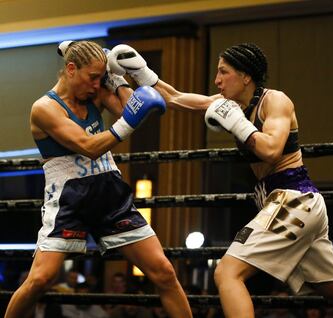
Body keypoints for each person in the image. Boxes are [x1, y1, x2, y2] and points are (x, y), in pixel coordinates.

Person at [107, 42, 333, 317]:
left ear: (245, 76)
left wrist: (238, 122)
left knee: (228, 273)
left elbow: (272, 150)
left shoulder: (275, 101)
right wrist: (141, 72)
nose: (217, 80)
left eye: (223, 72)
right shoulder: (229, 104)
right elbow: (176, 98)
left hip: (294, 200)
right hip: (283, 205)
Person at [4, 40, 192, 318]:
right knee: (40, 280)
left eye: (99, 78)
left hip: (109, 194)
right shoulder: (45, 108)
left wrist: (115, 80)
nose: (96, 85)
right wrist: (128, 121)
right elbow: (89, 146)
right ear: (70, 69)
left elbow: (132, 108)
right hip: (69, 198)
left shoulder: (96, 93)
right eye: (92, 77)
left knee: (164, 272)